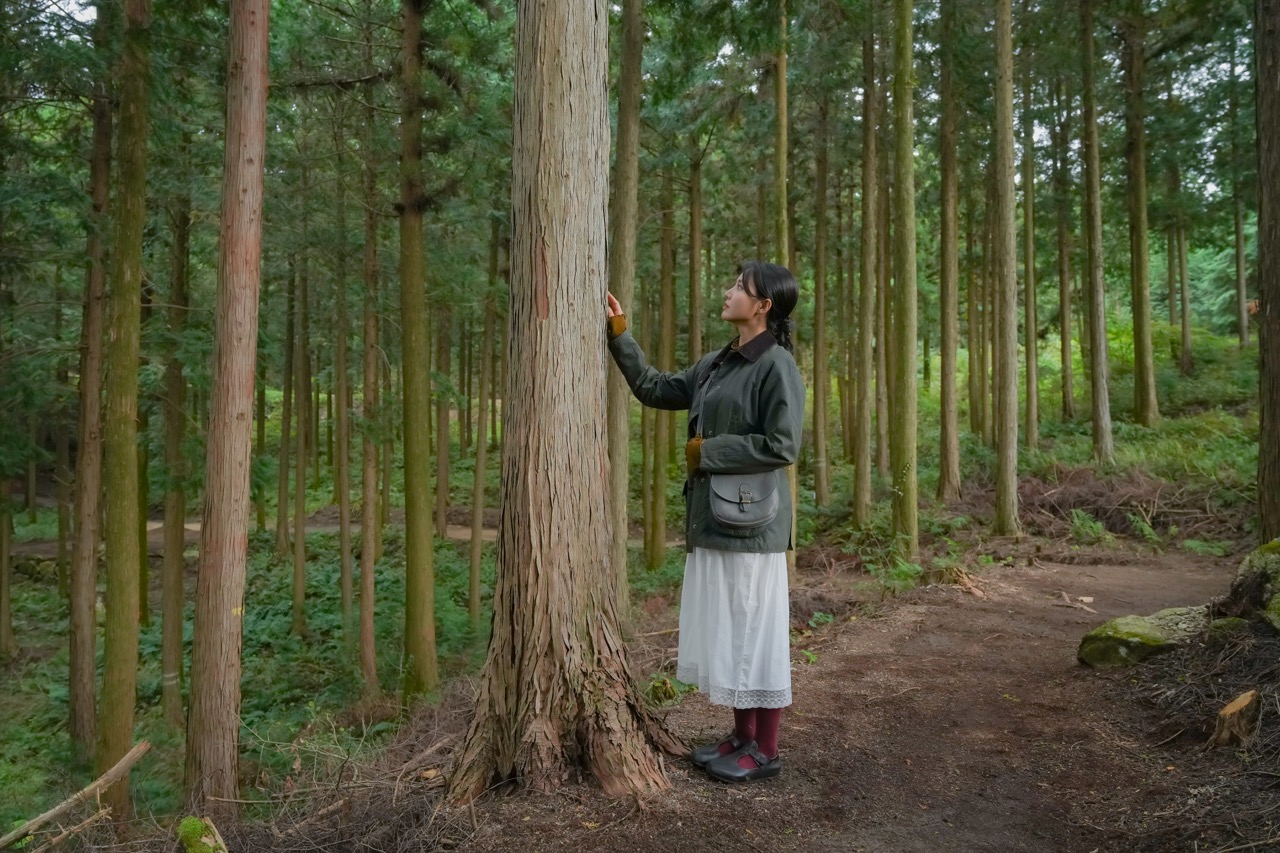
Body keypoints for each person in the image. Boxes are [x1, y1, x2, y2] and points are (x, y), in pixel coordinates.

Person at [605, 261, 804, 783]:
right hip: (714, 518)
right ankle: (741, 736)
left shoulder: (776, 364)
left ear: (763, 306)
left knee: (755, 634)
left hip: (755, 529)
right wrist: (619, 334)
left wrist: (708, 451)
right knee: (731, 631)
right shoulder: (717, 363)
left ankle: (766, 750)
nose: (728, 291)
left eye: (740, 287)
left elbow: (783, 445)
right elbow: (653, 387)